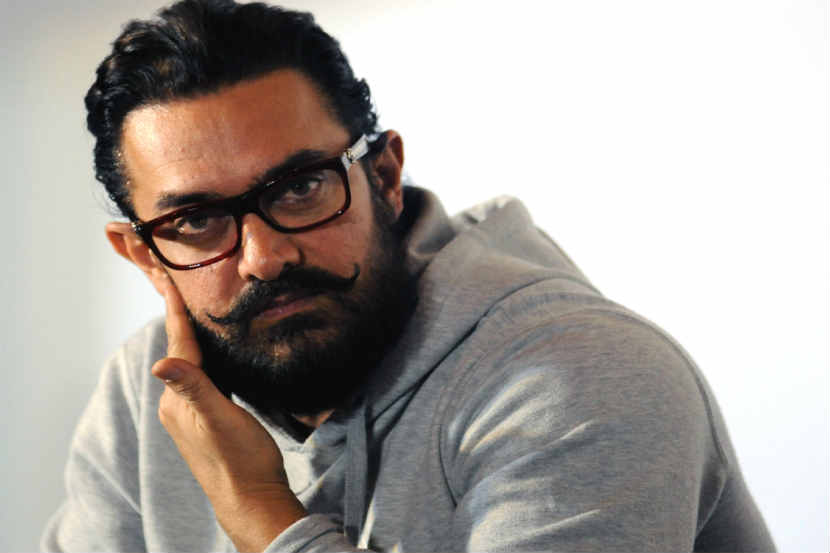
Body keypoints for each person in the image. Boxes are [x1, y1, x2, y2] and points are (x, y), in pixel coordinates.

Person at [42, 0, 775, 551]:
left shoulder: (580, 375)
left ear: (385, 177)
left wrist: (259, 509)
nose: (264, 257)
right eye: (196, 220)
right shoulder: (148, 393)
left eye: (301, 188)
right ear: (145, 254)